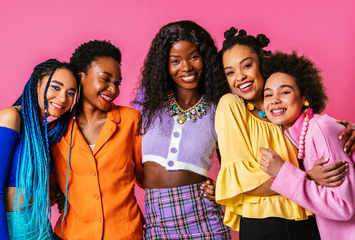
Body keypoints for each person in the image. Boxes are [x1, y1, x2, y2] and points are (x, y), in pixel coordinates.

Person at [215, 27, 355, 239]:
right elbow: (242, 184)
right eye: (230, 72)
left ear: (262, 63)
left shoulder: (283, 113)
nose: (240, 77)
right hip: (265, 223)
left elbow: (316, 132)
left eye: (246, 65)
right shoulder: (231, 105)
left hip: (309, 219)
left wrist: (349, 129)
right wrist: (308, 176)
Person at [133, 20, 232, 239]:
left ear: (206, 58)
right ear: (163, 64)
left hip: (203, 217)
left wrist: (223, 189)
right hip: (157, 218)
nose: (186, 67)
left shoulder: (219, 106)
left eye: (194, 57)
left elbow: (232, 164)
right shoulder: (146, 99)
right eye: (175, 61)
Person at [50, 40, 144, 240]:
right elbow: (51, 189)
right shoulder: (54, 132)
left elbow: (148, 178)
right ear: (81, 77)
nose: (113, 90)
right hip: (72, 234)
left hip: (125, 234)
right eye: (105, 79)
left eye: (117, 83)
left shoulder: (131, 121)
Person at [260, 51, 355, 240]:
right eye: (268, 95)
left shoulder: (320, 128)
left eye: (284, 92)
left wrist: (283, 172)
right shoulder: (294, 135)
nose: (274, 100)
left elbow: (342, 206)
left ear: (304, 96)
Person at [0, 59, 78, 240]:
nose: (63, 98)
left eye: (70, 93)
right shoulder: (11, 117)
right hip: (15, 227)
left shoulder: (43, 132)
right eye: (55, 87)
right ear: (37, 83)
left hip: (40, 225)